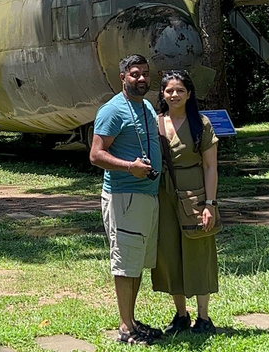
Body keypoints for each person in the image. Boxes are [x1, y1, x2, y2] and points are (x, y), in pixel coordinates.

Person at [89, 54, 163, 345]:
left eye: (145, 73)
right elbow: (96, 155)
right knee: (124, 264)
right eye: (135, 74)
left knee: (137, 263)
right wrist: (128, 167)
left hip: (147, 196)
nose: (142, 78)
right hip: (124, 198)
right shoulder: (112, 110)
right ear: (122, 77)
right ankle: (124, 327)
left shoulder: (145, 106)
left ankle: (132, 320)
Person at [152, 70, 220, 335]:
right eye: (169, 90)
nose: (174, 95)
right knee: (169, 253)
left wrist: (210, 203)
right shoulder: (156, 123)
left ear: (189, 94)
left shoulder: (200, 124)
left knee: (199, 250)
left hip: (195, 194)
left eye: (180, 90)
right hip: (164, 194)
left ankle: (204, 317)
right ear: (162, 94)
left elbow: (210, 167)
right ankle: (181, 314)